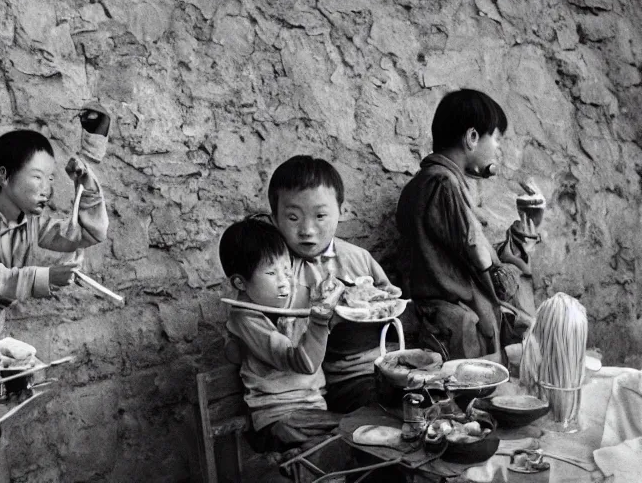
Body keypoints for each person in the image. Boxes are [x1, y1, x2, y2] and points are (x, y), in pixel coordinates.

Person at [395, 89, 544, 361]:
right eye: (497, 139)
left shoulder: (422, 184)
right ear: (472, 138)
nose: (498, 149)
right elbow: (495, 280)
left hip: (443, 325)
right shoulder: (444, 186)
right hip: (460, 333)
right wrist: (522, 252)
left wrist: (520, 236)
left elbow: (464, 255)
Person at [0, 129, 108, 346]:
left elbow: (88, 234)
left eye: (50, 178)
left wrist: (86, 185)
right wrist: (45, 277)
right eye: (37, 177)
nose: (47, 190)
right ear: (3, 176)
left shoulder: (30, 223)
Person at [269, 155, 402, 414]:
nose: (307, 229)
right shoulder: (274, 272)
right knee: (382, 407)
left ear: (341, 211)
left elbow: (386, 299)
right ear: (275, 219)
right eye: (293, 217)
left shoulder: (357, 258)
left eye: (320, 215)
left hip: (378, 363)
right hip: (334, 380)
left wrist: (387, 298)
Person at [220, 216, 343, 450]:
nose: (284, 282)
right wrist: (319, 320)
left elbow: (318, 304)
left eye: (286, 270)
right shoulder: (245, 318)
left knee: (353, 433)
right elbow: (303, 363)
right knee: (325, 449)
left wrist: (327, 294)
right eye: (270, 274)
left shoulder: (289, 295)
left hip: (313, 408)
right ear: (240, 283)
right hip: (277, 416)